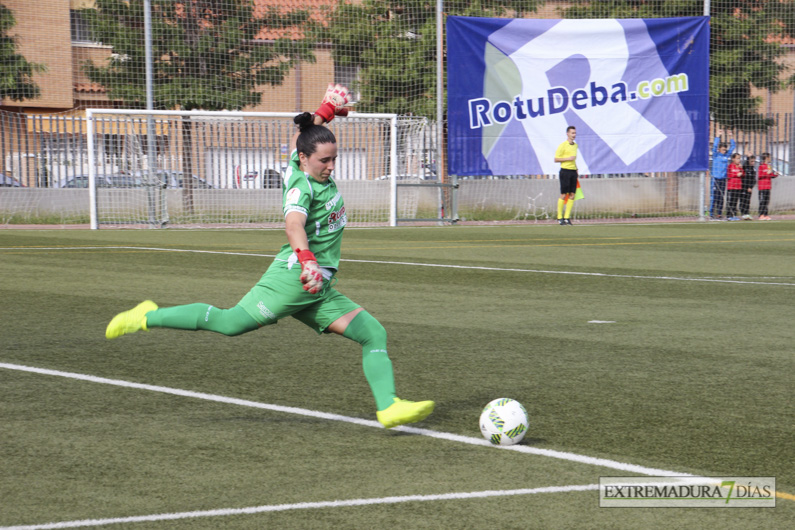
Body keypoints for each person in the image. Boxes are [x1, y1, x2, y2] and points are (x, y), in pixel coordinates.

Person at [104, 84, 434, 430]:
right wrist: (308, 262)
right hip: (294, 278)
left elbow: (306, 134)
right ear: (305, 159)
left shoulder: (301, 160)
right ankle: (147, 316)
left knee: (372, 333)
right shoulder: (301, 186)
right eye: (325, 160)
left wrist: (326, 110)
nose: (331, 166)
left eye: (334, 158)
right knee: (230, 323)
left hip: (316, 284)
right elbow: (294, 225)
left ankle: (389, 407)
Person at [553, 125, 579, 225]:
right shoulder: (563, 145)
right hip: (565, 171)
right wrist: (568, 158)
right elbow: (556, 159)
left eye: (575, 133)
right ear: (567, 134)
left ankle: (567, 217)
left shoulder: (575, 145)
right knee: (564, 194)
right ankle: (559, 217)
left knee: (572, 194)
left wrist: (576, 169)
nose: (574, 135)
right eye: (572, 133)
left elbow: (574, 159)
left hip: (573, 171)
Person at [709, 135, 735, 219]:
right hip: (715, 179)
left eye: (725, 149)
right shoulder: (715, 155)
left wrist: (731, 137)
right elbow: (714, 146)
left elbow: (733, 147)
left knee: (721, 197)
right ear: (719, 149)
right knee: (714, 197)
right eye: (723, 149)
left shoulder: (726, 156)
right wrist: (717, 136)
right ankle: (711, 213)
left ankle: (719, 213)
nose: (724, 151)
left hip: (723, 179)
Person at [756, 153, 779, 220]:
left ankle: (766, 214)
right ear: (766, 158)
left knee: (766, 201)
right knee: (762, 201)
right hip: (762, 187)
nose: (770, 158)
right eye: (769, 157)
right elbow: (759, 176)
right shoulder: (761, 166)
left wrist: (775, 174)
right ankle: (761, 215)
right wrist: (766, 173)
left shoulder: (769, 166)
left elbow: (771, 175)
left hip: (768, 186)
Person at [725, 153, 744, 221]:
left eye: (739, 158)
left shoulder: (739, 166)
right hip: (731, 187)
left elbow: (743, 174)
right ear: (733, 159)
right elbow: (729, 175)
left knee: (735, 202)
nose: (739, 160)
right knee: (730, 201)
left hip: (738, 187)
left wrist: (741, 169)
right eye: (737, 158)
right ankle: (729, 215)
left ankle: (734, 215)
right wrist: (736, 174)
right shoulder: (730, 166)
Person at [740, 154, 757, 220]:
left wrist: (750, 187)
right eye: (751, 161)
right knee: (743, 200)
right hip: (743, 187)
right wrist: (747, 157)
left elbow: (754, 180)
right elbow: (743, 178)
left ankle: (747, 213)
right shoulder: (745, 167)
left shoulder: (753, 169)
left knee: (747, 201)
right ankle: (743, 213)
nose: (753, 163)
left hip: (749, 188)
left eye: (754, 161)